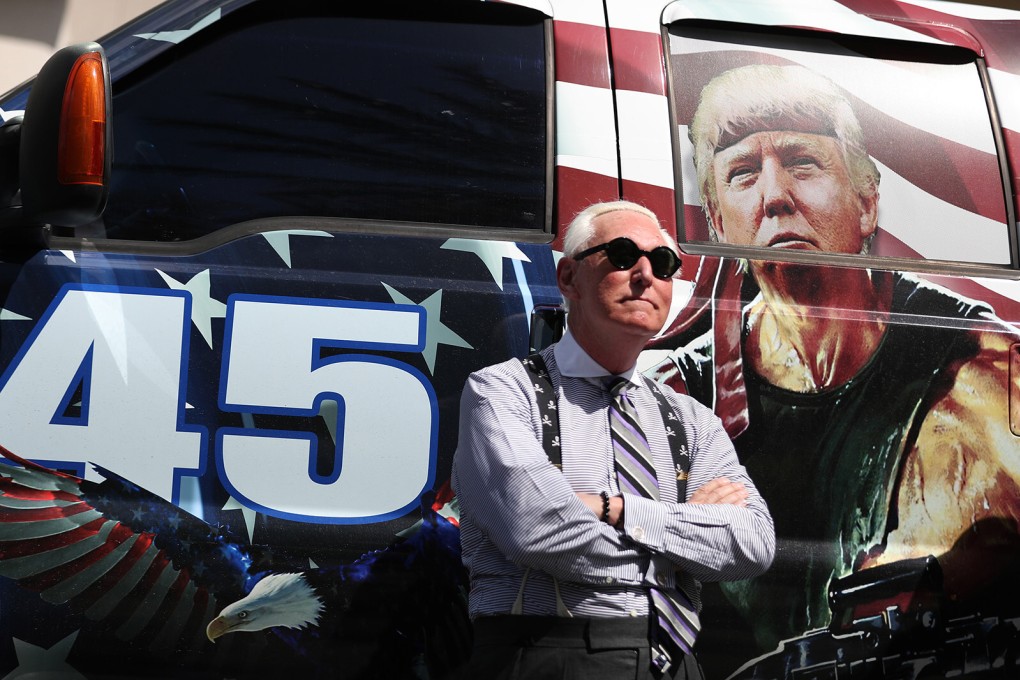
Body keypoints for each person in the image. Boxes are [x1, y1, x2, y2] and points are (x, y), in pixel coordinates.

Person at [651, 64, 1020, 655]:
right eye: (743, 173)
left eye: (802, 163)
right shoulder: (677, 400)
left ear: (867, 203)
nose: (775, 196)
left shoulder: (977, 371)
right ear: (717, 224)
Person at [451, 200, 776, 679]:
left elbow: (753, 542)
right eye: (623, 255)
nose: (645, 275)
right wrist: (684, 548)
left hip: (678, 664)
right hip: (552, 653)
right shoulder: (502, 390)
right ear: (569, 278)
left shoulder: (691, 419)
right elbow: (539, 528)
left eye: (663, 263)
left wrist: (615, 509)